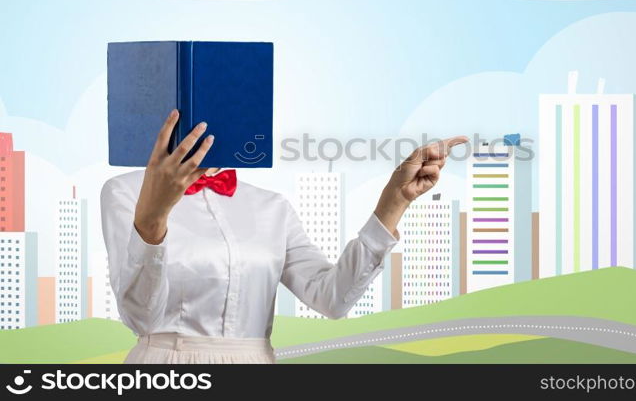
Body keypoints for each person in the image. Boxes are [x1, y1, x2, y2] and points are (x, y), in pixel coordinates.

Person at [101, 108, 467, 364]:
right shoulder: (125, 192)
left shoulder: (271, 206)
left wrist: (393, 201)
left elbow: (332, 299)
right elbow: (141, 317)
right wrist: (153, 217)